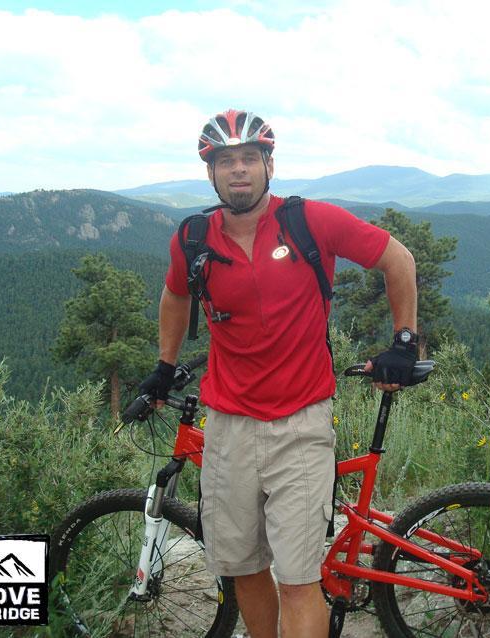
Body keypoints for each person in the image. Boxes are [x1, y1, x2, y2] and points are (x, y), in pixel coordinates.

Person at [139, 109, 418, 638]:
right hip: (227, 427)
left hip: (301, 424)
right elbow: (176, 293)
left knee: (297, 578)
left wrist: (404, 341)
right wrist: (164, 365)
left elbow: (397, 258)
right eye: (225, 162)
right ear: (211, 173)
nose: (238, 170)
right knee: (243, 567)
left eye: (248, 159)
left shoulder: (309, 220)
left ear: (269, 165)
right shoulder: (193, 238)